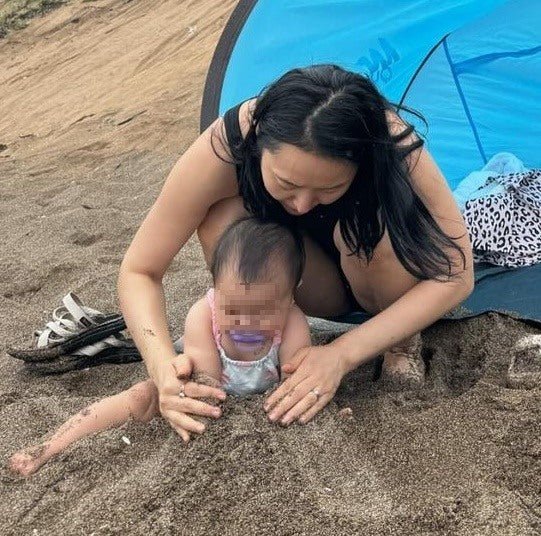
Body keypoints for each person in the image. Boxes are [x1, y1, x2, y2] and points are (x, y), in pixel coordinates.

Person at [117, 64, 474, 439]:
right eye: (286, 183)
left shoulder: (387, 139)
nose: (302, 205)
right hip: (304, 287)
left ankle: (401, 347)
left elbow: (457, 274)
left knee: (373, 227)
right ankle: (263, 339)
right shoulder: (231, 142)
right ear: (260, 144)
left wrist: (341, 353)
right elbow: (140, 270)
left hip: (381, 280)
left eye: (329, 188)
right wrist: (161, 366)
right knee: (223, 218)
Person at [9, 218, 311, 476]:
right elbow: (206, 381)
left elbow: (294, 378)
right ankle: (53, 444)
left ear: (290, 298)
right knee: (141, 395)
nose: (246, 323)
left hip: (263, 399)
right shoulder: (202, 316)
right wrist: (189, 398)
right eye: (232, 309)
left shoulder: (293, 323)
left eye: (263, 311)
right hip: (206, 387)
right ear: (215, 292)